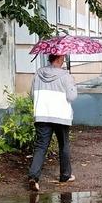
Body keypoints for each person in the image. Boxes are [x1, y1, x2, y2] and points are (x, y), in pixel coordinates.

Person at [27, 53, 78, 191]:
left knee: (41, 146)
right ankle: (65, 175)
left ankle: (33, 177)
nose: (64, 60)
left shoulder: (38, 74)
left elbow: (32, 94)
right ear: (59, 58)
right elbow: (72, 96)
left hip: (42, 115)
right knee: (63, 145)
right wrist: (73, 85)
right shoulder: (66, 76)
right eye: (63, 58)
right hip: (60, 116)